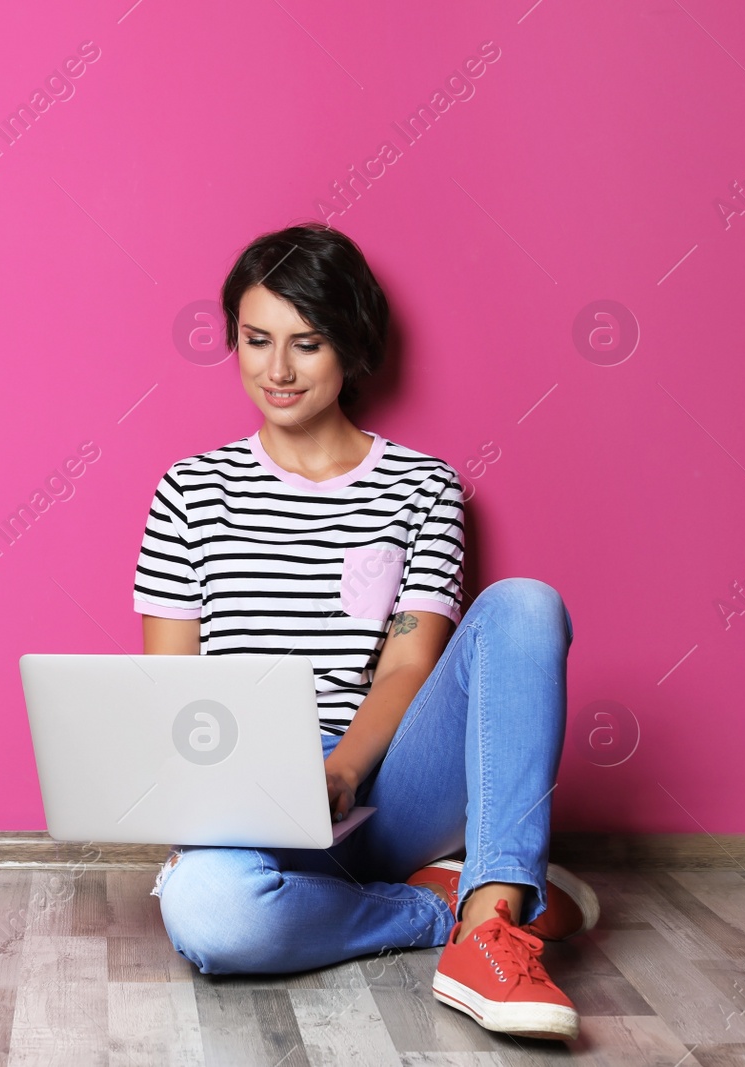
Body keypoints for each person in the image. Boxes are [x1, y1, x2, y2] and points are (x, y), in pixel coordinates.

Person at [135, 223, 597, 1042]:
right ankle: (437, 905)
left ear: (350, 344)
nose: (277, 370)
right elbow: (177, 696)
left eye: (306, 344)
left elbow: (407, 664)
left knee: (524, 602)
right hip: (261, 794)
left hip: (392, 781)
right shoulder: (189, 492)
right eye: (256, 340)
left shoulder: (424, 486)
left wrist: (343, 767)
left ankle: (492, 929)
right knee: (209, 913)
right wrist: (201, 810)